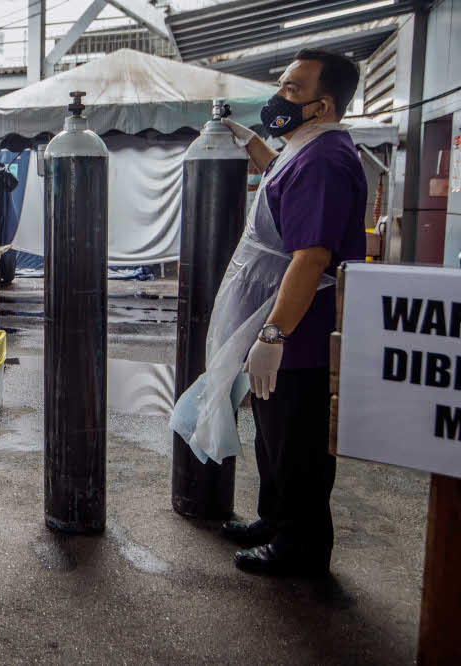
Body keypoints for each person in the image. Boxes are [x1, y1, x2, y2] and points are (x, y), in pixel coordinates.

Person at [211, 49, 367, 576]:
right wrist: (248, 141)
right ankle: (276, 519)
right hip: (283, 322)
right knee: (274, 431)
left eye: (292, 90)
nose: (278, 98)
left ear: (322, 106)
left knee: (297, 439)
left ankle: (300, 547)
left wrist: (274, 335)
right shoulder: (305, 149)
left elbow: (312, 255)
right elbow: (279, 180)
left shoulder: (324, 160)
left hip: (301, 330)